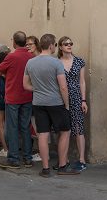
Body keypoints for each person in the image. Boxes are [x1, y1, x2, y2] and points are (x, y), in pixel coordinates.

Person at [24, 33, 78, 177]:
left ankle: (46, 168)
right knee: (65, 132)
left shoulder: (31, 63)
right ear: (51, 45)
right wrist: (66, 104)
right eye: (54, 44)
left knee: (42, 134)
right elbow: (63, 86)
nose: (55, 47)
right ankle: (62, 166)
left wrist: (39, 89)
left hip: (38, 102)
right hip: (56, 102)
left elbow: (25, 85)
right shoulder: (56, 63)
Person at [0, 31, 34, 169]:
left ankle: (13, 158)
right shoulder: (31, 56)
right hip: (27, 95)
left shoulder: (11, 57)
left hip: (13, 96)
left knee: (12, 127)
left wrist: (8, 75)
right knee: (25, 127)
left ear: (14, 42)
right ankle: (28, 158)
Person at [57, 36, 88, 171]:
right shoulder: (57, 63)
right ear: (60, 47)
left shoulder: (79, 61)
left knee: (78, 128)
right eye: (66, 44)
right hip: (61, 98)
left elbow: (82, 81)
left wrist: (83, 100)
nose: (69, 45)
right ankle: (64, 159)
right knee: (64, 129)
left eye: (71, 43)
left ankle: (82, 159)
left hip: (76, 97)